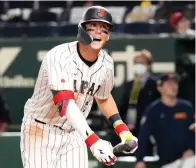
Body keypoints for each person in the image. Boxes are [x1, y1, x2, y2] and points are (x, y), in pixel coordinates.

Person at [20, 6, 138, 168]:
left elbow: (103, 97)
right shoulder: (60, 56)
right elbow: (65, 103)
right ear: (82, 30)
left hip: (73, 131)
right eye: (92, 28)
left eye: (104, 29)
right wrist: (93, 140)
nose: (98, 33)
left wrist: (122, 130)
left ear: (108, 36)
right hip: (41, 128)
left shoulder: (106, 64)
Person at [135, 73, 195, 168]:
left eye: (175, 83)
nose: (173, 86)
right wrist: (140, 160)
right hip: (166, 161)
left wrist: (192, 149)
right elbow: (143, 135)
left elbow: (193, 131)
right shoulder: (153, 110)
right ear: (160, 88)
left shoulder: (186, 107)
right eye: (169, 84)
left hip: (188, 158)